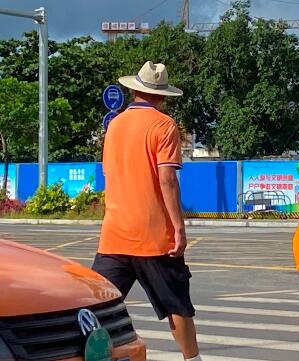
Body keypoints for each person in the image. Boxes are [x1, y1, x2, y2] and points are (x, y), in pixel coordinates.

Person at [92, 61, 202, 361]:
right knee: (177, 305)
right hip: (153, 238)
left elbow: (109, 175)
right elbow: (166, 179)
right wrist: (179, 228)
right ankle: (193, 360)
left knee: (96, 309)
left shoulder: (114, 125)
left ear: (133, 90)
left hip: (114, 235)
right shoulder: (164, 125)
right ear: (163, 96)